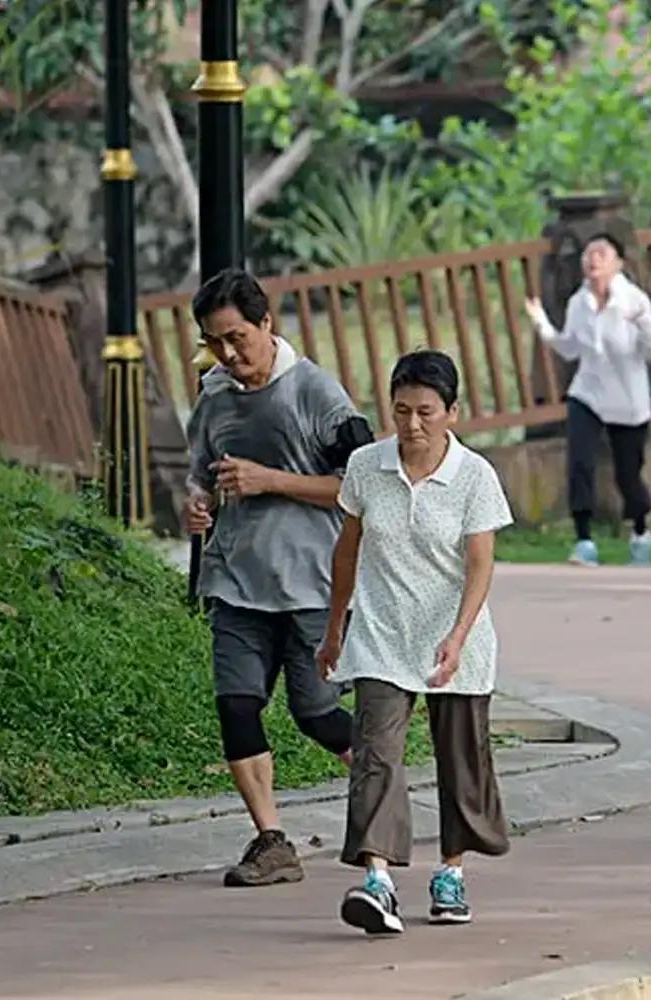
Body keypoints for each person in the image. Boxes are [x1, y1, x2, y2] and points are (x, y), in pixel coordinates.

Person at [182, 267, 375, 887]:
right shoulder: (212, 396)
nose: (230, 354)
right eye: (216, 343)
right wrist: (194, 503)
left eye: (239, 337)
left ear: (268, 324)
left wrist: (273, 480)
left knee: (316, 713)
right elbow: (198, 473)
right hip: (236, 578)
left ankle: (381, 788)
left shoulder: (317, 393)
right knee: (236, 707)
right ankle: (271, 842)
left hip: (312, 583)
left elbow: (364, 489)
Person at [317, 349, 515, 936]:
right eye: (401, 410)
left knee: (461, 760)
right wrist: (334, 627)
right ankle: (377, 880)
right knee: (376, 752)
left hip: (456, 638)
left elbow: (480, 566)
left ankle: (450, 873)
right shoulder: (364, 467)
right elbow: (347, 550)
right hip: (382, 632)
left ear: (452, 411)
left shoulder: (475, 476)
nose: (412, 424)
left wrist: (456, 636)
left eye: (426, 411)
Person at [524, 234, 651, 566]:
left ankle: (641, 533)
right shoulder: (579, 302)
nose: (593, 260)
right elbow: (570, 348)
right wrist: (542, 322)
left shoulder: (634, 301)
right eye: (588, 254)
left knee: (628, 475)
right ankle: (584, 540)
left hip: (628, 402)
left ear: (618, 262)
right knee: (580, 463)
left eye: (601, 253)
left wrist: (645, 324)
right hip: (587, 393)